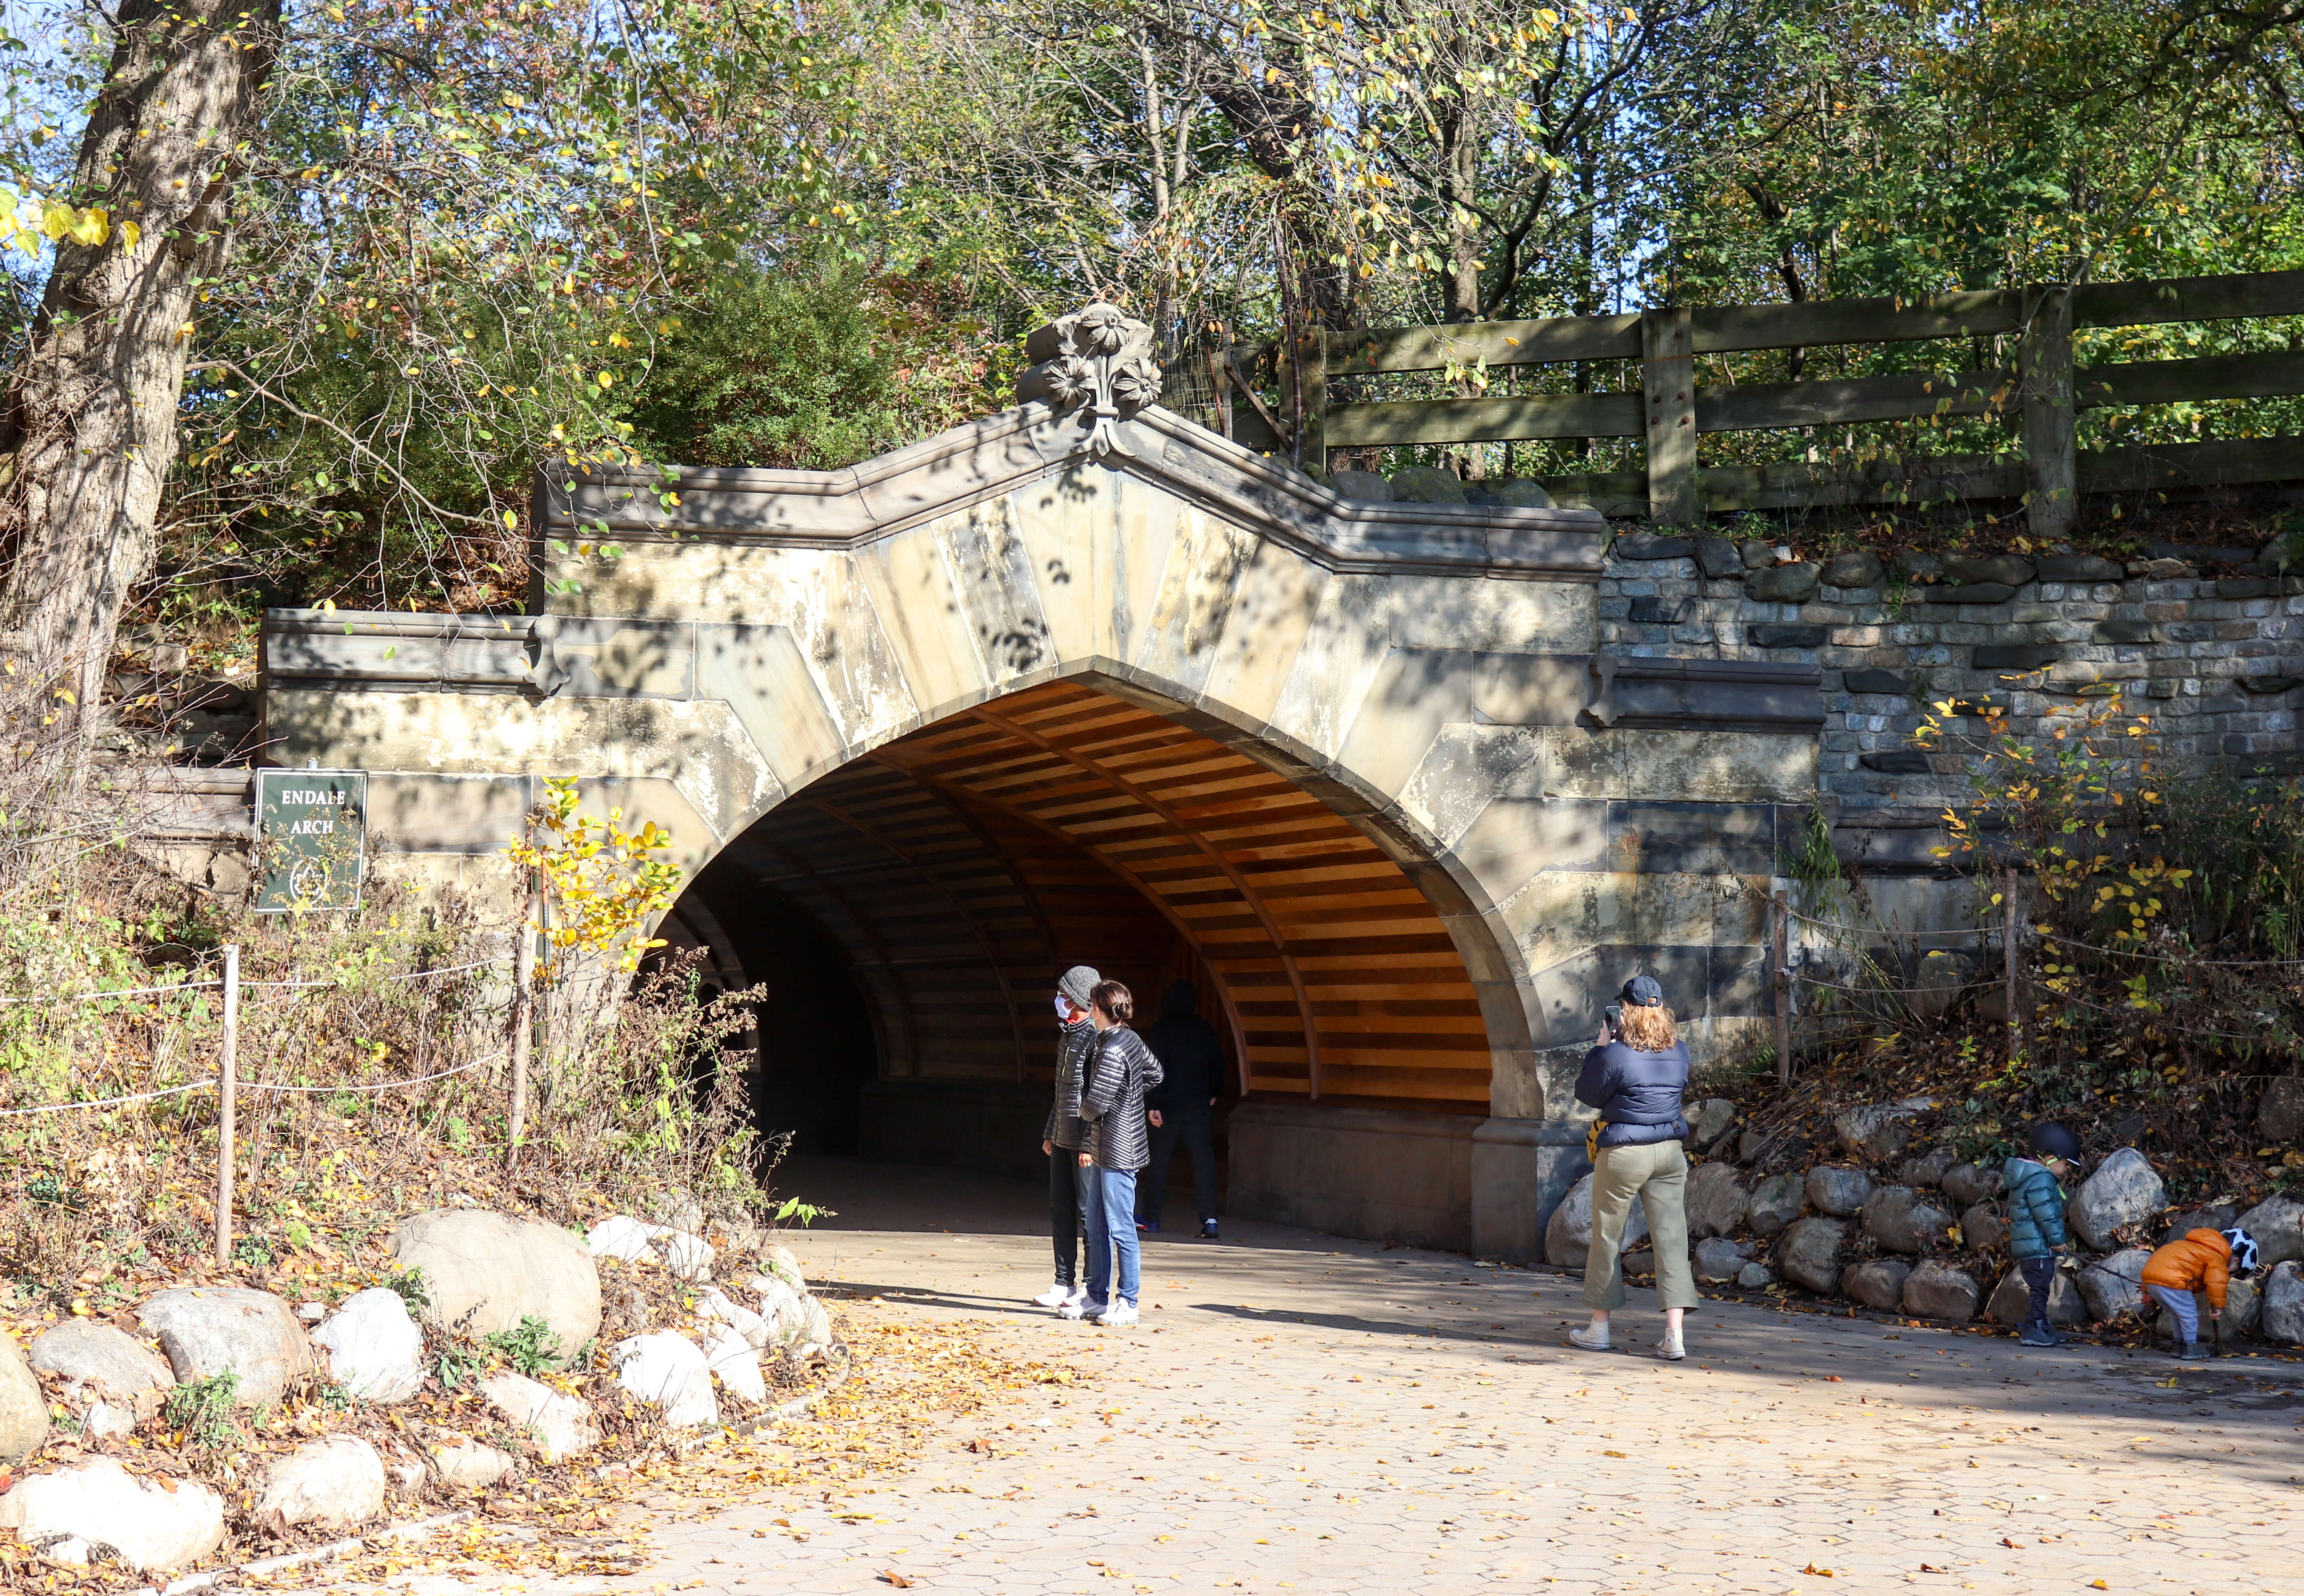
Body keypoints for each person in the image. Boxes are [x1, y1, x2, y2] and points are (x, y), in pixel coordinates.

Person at [1568, 975, 1697, 1361]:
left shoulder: (1614, 1053)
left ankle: (1599, 1329)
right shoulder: (1681, 1051)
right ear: (1660, 1011)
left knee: (1608, 1236)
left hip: (1625, 1152)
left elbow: (1587, 1093)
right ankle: (1674, 1337)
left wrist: (1600, 1046)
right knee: (1672, 1239)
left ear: (1624, 1010)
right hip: (1670, 1152)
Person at [1070, 978, 1163, 1327]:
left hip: (1117, 1147)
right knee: (1096, 1223)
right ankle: (1096, 1297)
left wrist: (1079, 1111)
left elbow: (1096, 1102)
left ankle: (1128, 1300)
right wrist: (1132, 1094)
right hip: (1111, 1144)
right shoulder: (1131, 1038)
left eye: (1091, 1004)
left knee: (1120, 1226)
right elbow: (1155, 1072)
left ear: (1097, 1008)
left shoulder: (1109, 1047)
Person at [1033, 965, 1101, 1313]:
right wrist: (1049, 1131)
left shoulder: (1094, 1037)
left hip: (1083, 1144)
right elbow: (1063, 1091)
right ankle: (1063, 1281)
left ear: (1078, 999)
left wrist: (1089, 1144)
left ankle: (1091, 1288)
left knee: (1088, 1215)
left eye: (1063, 996)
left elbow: (1096, 1096)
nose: (1057, 1001)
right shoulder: (1067, 1034)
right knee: (1060, 1209)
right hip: (1061, 1136)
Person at [1137, 979, 1225, 1238]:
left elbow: (1155, 1068)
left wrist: (1153, 1103)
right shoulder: (1205, 1029)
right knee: (1203, 1164)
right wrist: (1213, 1092)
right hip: (1198, 1105)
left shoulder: (1162, 1029)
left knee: (1159, 1163)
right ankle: (1210, 1220)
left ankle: (1152, 1219)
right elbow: (1218, 1064)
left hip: (1168, 1107)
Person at [2003, 1123, 2083, 1347]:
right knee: (2040, 1289)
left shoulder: (2030, 1177)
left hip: (2033, 1245)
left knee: (2041, 1287)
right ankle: (2033, 1329)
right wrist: (2058, 1241)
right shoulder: (2041, 1179)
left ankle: (2042, 1326)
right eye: (2065, 1163)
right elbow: (2046, 1215)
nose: (2067, 1169)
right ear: (2050, 1157)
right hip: (2038, 1246)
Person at [2142, 1225, 2258, 1357]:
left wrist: (2147, 1290)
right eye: (2235, 1273)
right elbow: (2216, 1282)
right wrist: (2216, 1306)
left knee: (2175, 1314)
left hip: (2152, 1278)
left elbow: (2160, 1265)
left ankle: (2178, 1345)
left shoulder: (2192, 1246)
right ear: (2236, 1261)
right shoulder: (2217, 1258)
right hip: (2174, 1280)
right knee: (2189, 1313)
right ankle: (2191, 1347)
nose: (2230, 1277)